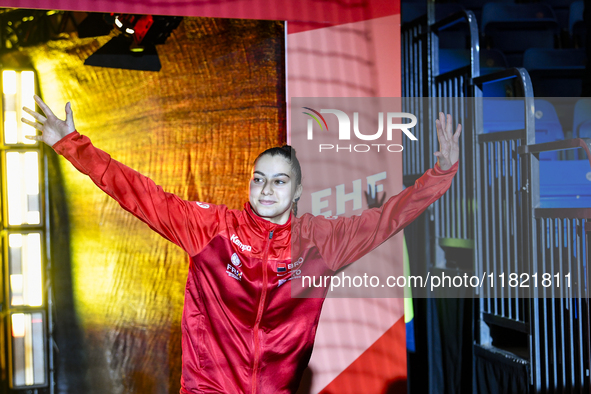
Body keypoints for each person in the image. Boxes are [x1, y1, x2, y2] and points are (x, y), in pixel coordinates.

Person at [22, 95, 461, 394]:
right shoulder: (211, 228)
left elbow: (389, 218)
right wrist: (73, 146)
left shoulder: (321, 242)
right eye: (258, 178)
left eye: (279, 180)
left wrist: (440, 173)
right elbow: (141, 194)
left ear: (298, 191)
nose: (265, 189)